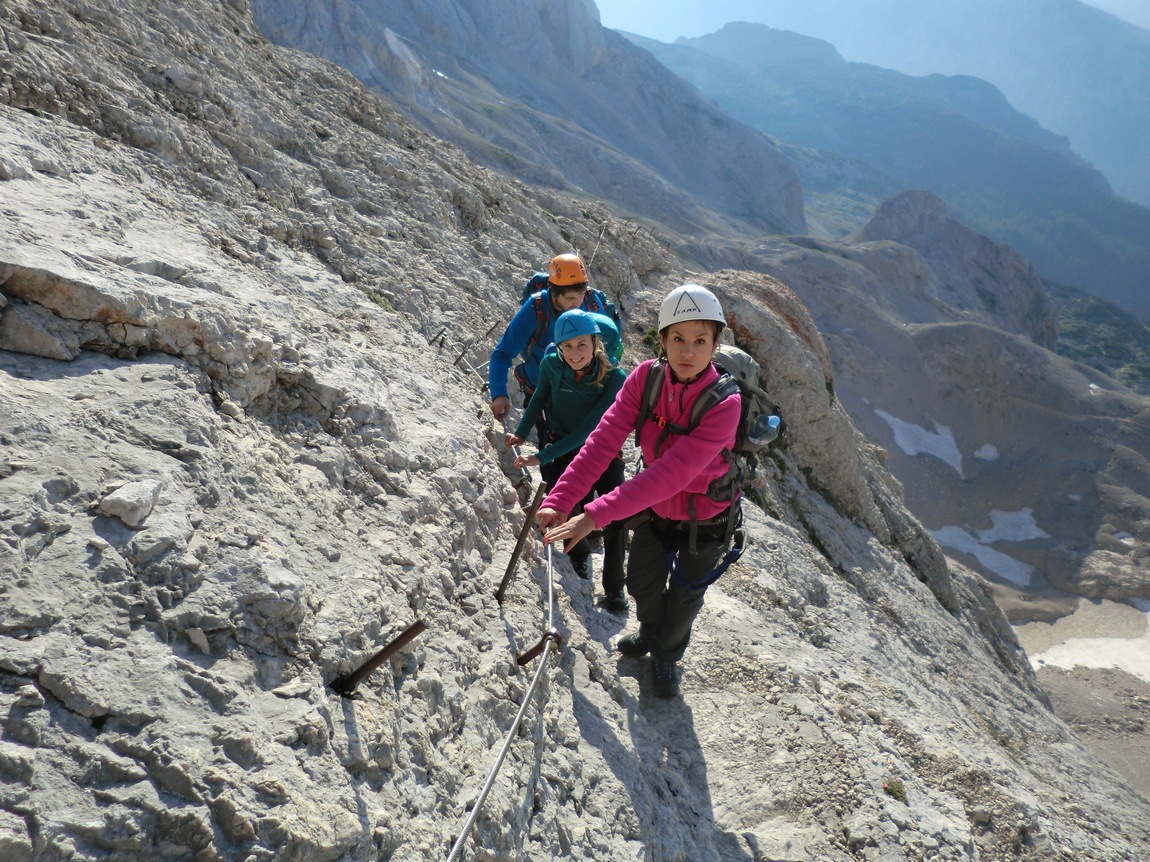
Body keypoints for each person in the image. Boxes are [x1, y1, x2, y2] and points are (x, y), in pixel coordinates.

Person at [536, 284, 741, 698]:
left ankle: (666, 655)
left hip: (709, 517)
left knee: (685, 595)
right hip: (658, 510)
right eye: (678, 339)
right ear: (662, 340)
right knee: (642, 584)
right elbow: (603, 441)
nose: (688, 351)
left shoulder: (725, 403)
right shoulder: (645, 379)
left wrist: (594, 514)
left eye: (700, 341)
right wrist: (560, 499)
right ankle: (650, 633)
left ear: (715, 344)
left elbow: (672, 474)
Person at [505, 309, 628, 611]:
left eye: (581, 344)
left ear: (595, 343)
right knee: (570, 507)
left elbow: (589, 429)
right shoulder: (551, 364)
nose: (574, 353)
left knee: (617, 517)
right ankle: (579, 554)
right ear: (559, 347)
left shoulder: (614, 378)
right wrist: (521, 433)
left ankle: (615, 588)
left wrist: (541, 456)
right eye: (567, 346)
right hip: (561, 444)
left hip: (603, 450)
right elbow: (539, 397)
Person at [488, 254, 618, 431]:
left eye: (580, 295)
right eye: (570, 298)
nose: (577, 303)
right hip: (543, 394)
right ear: (554, 292)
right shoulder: (535, 309)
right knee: (549, 441)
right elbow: (503, 353)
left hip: (584, 396)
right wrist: (499, 394)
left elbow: (605, 350)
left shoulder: (590, 302)